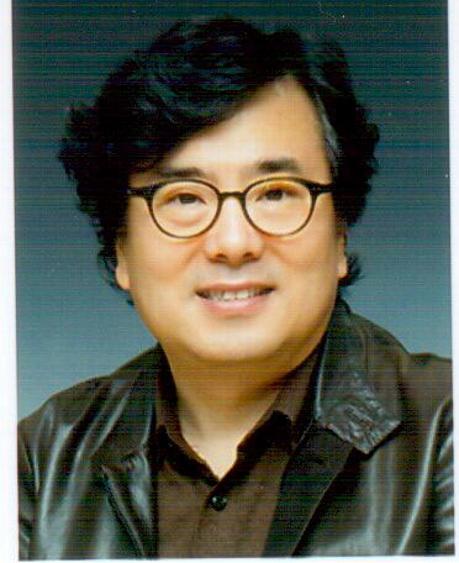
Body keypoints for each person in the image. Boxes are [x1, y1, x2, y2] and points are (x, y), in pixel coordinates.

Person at [18, 17, 453, 558]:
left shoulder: (444, 430)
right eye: (183, 197)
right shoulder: (41, 459)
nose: (233, 242)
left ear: (340, 234)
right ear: (121, 249)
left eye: (276, 193)